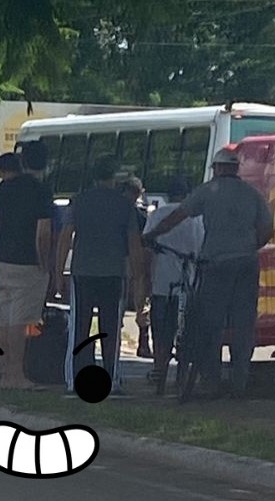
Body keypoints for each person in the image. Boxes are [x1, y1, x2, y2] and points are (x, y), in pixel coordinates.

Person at [144, 148, 274, 398]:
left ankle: (211, 380)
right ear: (235, 168)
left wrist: (152, 234)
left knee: (211, 322)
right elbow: (267, 228)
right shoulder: (252, 194)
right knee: (243, 323)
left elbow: (178, 215)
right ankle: (240, 382)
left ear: (217, 168)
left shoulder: (208, 190)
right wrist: (249, 247)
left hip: (216, 263)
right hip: (247, 263)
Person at [55, 154, 148, 395]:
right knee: (111, 327)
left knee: (79, 327)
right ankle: (112, 379)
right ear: (114, 178)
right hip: (114, 273)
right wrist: (139, 276)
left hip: (83, 271)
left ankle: (73, 380)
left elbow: (66, 237)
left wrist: (58, 272)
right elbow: (134, 244)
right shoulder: (124, 205)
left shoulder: (80, 201)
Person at [0, 152, 53, 389]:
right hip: (28, 264)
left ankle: (5, 372)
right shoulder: (40, 191)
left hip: (2, 263)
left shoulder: (2, 191)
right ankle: (17, 374)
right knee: (19, 321)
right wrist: (45, 263)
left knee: (3, 319)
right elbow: (42, 232)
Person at [142, 177, 204, 387]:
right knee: (189, 328)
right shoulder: (198, 218)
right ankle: (183, 373)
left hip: (162, 282)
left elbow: (147, 248)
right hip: (190, 282)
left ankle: (159, 369)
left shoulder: (157, 215)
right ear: (188, 195)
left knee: (160, 330)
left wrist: (145, 281)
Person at [118, 175, 152, 358]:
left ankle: (140, 340)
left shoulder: (115, 212)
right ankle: (143, 342)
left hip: (121, 261)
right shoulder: (139, 216)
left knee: (121, 304)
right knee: (140, 305)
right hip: (133, 263)